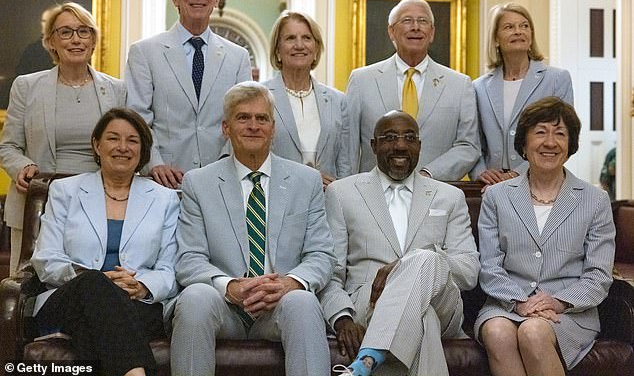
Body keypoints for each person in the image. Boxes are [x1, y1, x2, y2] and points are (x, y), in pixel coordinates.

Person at [171, 81, 335, 375]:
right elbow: (189, 259)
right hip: (224, 305)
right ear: (226, 128)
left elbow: (321, 255)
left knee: (304, 301)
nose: (253, 126)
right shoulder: (199, 182)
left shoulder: (306, 181)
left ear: (273, 128)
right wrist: (230, 287)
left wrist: (289, 283)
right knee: (195, 298)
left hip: (281, 303)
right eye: (243, 118)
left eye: (262, 119)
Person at [322, 110, 480, 376]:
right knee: (422, 317)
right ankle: (369, 361)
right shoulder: (342, 193)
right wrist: (342, 318)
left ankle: (368, 359)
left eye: (409, 138)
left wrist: (408, 264)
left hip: (444, 306)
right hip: (369, 302)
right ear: (373, 145)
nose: (400, 145)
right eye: (390, 137)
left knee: (426, 258)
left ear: (419, 145)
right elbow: (330, 272)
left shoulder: (450, 197)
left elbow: (469, 271)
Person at [31, 108, 180, 376]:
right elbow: (46, 259)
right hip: (69, 297)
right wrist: (100, 280)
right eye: (113, 138)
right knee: (94, 284)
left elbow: (169, 269)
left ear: (142, 150)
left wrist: (142, 287)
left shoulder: (164, 199)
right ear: (96, 145)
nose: (123, 147)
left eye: (132, 140)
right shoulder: (66, 191)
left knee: (97, 326)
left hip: (137, 303)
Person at [475, 97, 615, 376]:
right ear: (524, 144)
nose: (550, 142)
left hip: (570, 311)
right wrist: (520, 302)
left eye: (560, 133)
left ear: (570, 145)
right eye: (540, 132)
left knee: (534, 332)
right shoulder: (496, 197)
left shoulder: (595, 200)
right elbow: (489, 265)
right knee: (497, 331)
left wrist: (558, 301)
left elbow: (598, 274)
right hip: (506, 303)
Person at [0, 1, 126, 276]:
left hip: (98, 205)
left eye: (83, 31)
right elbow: (8, 146)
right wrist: (22, 167)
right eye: (65, 32)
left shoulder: (117, 90)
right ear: (50, 42)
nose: (76, 39)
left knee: (91, 286)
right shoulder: (26, 86)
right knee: (30, 292)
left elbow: (125, 147)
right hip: (38, 203)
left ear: (93, 41)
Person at [126, 0, 252, 189]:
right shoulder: (145, 52)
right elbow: (137, 116)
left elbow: (243, 118)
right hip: (163, 180)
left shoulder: (238, 57)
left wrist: (228, 162)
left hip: (223, 179)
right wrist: (153, 164)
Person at [346, 0, 480, 180]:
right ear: (391, 31)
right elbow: (349, 145)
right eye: (407, 21)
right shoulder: (361, 80)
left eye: (423, 21)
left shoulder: (459, 84)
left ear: (431, 32)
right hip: (373, 193)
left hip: (434, 192)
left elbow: (469, 146)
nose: (415, 27)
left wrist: (429, 174)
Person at [470, 2, 574, 187]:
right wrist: (480, 172)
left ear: (532, 34)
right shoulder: (478, 87)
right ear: (495, 38)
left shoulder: (557, 79)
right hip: (492, 187)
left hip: (541, 181)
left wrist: (518, 173)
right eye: (509, 27)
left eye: (524, 26)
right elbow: (473, 140)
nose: (518, 31)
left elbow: (565, 135)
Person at [263, 11, 351, 188]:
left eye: (307, 38)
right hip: (278, 200)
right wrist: (306, 179)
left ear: (316, 48)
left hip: (326, 205)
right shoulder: (261, 97)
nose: (299, 45)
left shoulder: (337, 100)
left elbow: (345, 163)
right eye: (290, 38)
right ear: (277, 49)